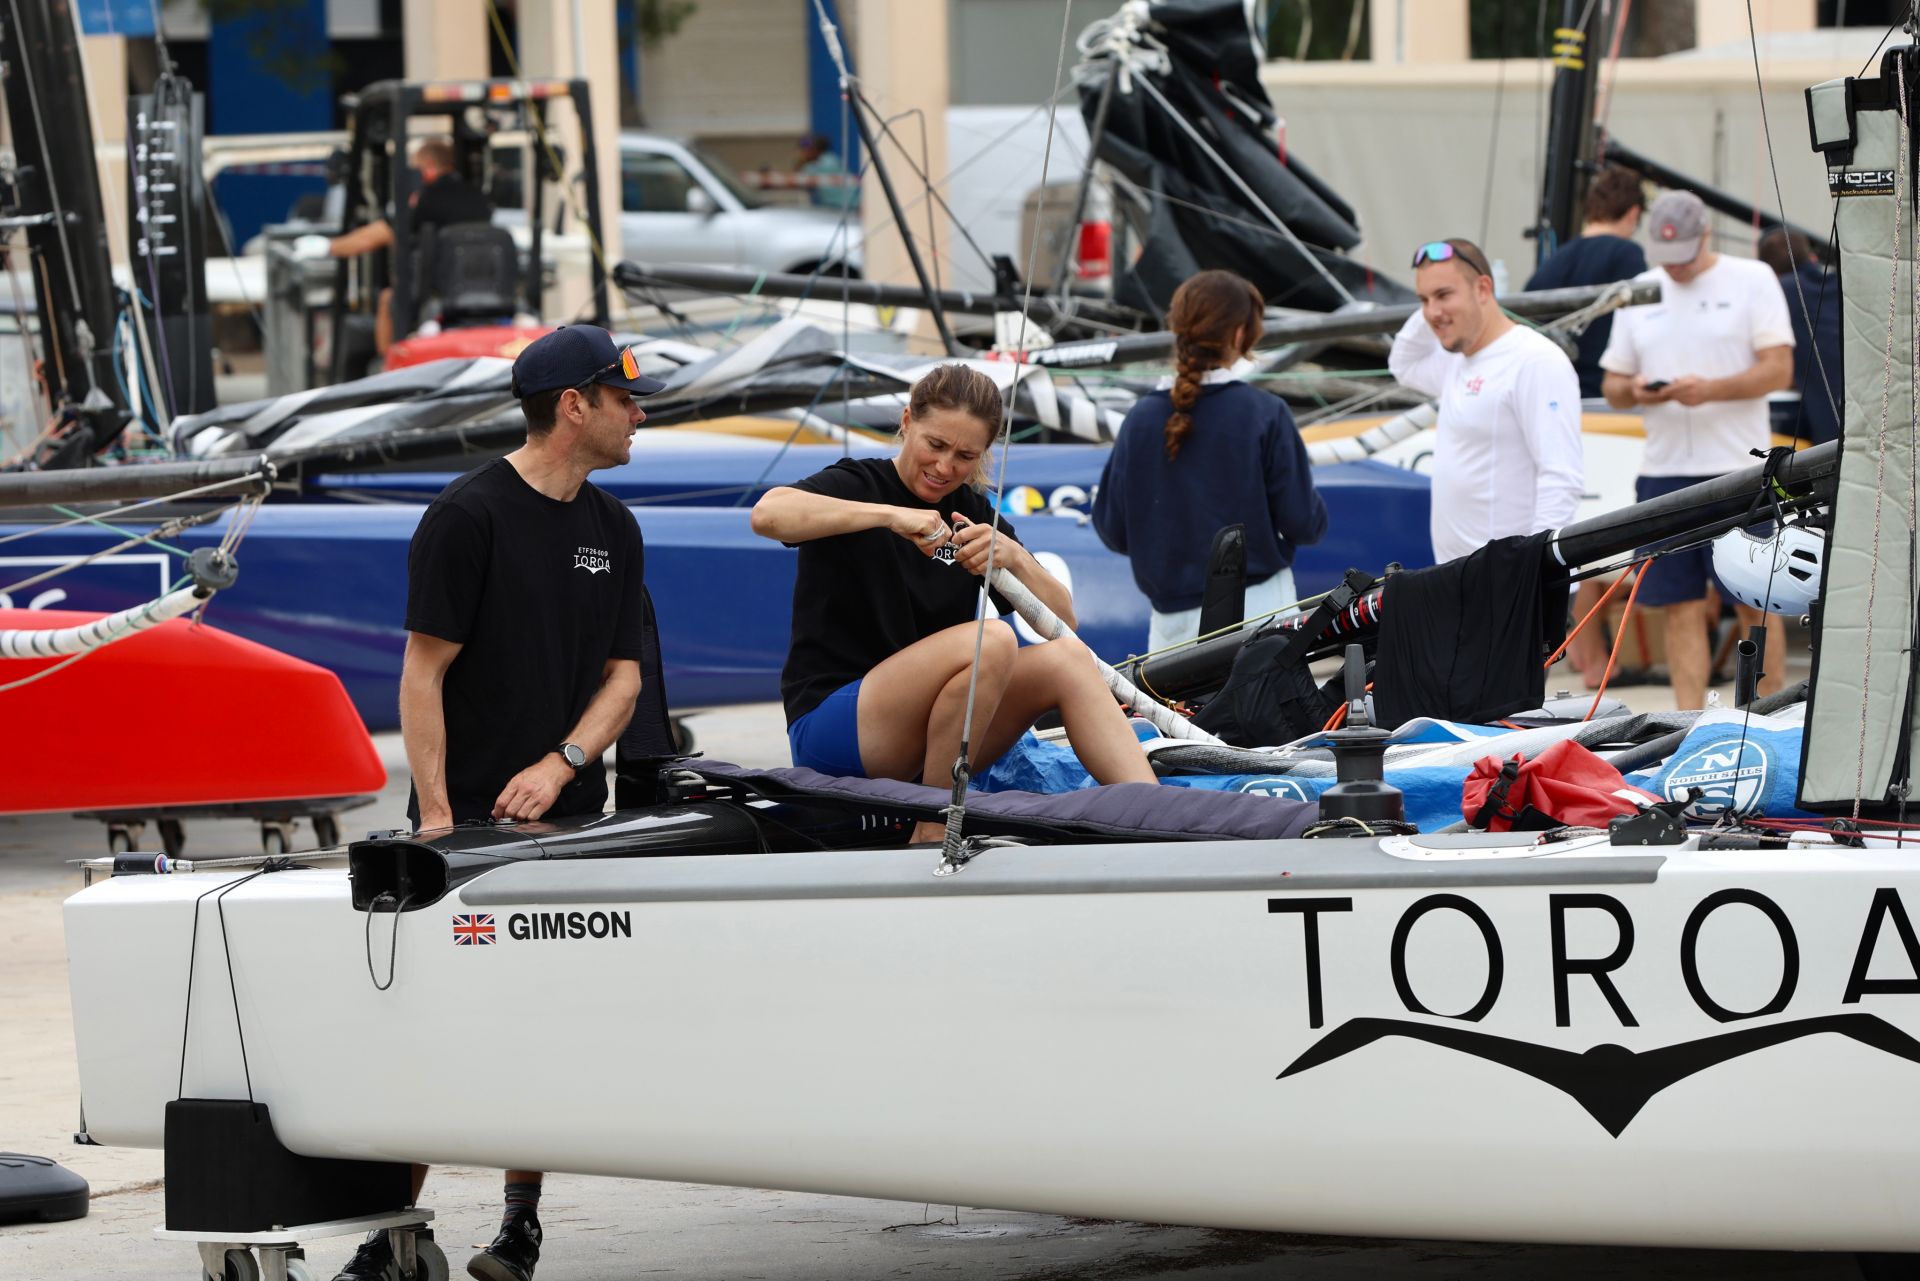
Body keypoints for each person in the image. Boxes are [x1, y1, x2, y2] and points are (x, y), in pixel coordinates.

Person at [336, 326, 667, 1281]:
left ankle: (519, 1224)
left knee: (539, 1021)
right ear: (576, 406)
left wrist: (563, 765)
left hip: (566, 820)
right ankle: (395, 1232)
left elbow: (623, 682)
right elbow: (422, 674)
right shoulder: (467, 517)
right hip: (460, 824)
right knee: (426, 1025)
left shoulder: (615, 526)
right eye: (624, 398)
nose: (638, 416)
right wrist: (438, 815)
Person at [751, 363, 1155, 842]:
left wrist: (1016, 559)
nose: (945, 467)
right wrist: (893, 517)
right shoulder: (857, 484)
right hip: (838, 731)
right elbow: (767, 515)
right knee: (995, 639)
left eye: (965, 455)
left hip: (926, 742)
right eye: (935, 445)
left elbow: (1063, 625)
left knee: (1067, 660)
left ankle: (1156, 815)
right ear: (906, 422)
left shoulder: (975, 512)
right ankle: (933, 823)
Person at [1600, 189, 1795, 710]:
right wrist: (1637, 392)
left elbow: (1778, 368)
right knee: (1679, 605)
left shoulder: (1751, 279)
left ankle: (1769, 714)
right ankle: (1688, 723)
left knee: (1758, 602)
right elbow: (1613, 383)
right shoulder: (1641, 290)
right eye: (1667, 261)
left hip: (1739, 468)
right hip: (1664, 471)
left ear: (1706, 236)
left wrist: (1709, 390)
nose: (1677, 271)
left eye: (1685, 258)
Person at [1091, 269, 1327, 652]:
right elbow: (1303, 522)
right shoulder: (1265, 413)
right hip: (1260, 615)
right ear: (1239, 334)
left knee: (1178, 716)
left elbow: (1112, 529)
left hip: (1170, 630)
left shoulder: (1139, 419)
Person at [1388, 237, 1586, 565]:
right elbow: (1403, 363)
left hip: (1512, 583)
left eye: (1444, 295)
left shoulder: (1534, 360)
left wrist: (1535, 570)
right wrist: (1439, 308)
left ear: (1483, 289)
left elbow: (1562, 476)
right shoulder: (1457, 359)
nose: (1431, 312)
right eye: (1423, 299)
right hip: (1458, 579)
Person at [293, 136, 495, 353]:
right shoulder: (478, 198)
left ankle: (389, 365)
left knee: (387, 299)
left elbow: (382, 233)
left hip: (436, 289)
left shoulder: (427, 200)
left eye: (416, 167)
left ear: (427, 168)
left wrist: (327, 247)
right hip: (487, 285)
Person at [1524, 167, 1649, 399]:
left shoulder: (1553, 262)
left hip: (1549, 393)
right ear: (1633, 213)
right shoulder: (1627, 254)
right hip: (1601, 397)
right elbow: (1641, 324)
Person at [1757, 227, 1842, 447]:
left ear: (1769, 271)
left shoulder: (1778, 293)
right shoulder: (1840, 284)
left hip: (1827, 426)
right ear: (1812, 257)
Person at [795, 133, 858, 211]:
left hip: (851, 205)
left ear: (817, 149)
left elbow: (802, 179)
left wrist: (802, 162)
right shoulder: (813, 164)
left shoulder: (828, 161)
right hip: (836, 206)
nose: (803, 152)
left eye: (807, 149)